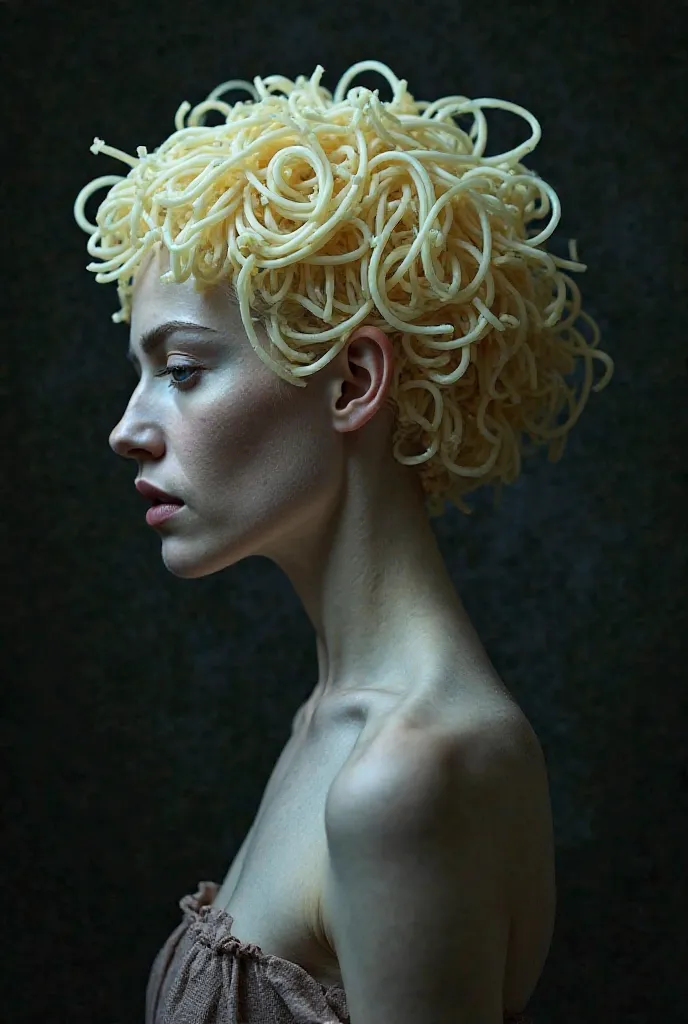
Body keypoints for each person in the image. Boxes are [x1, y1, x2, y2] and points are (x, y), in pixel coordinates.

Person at [74, 59, 613, 1024]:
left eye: (184, 369)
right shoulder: (333, 723)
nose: (128, 428)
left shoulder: (412, 773)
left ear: (354, 380)